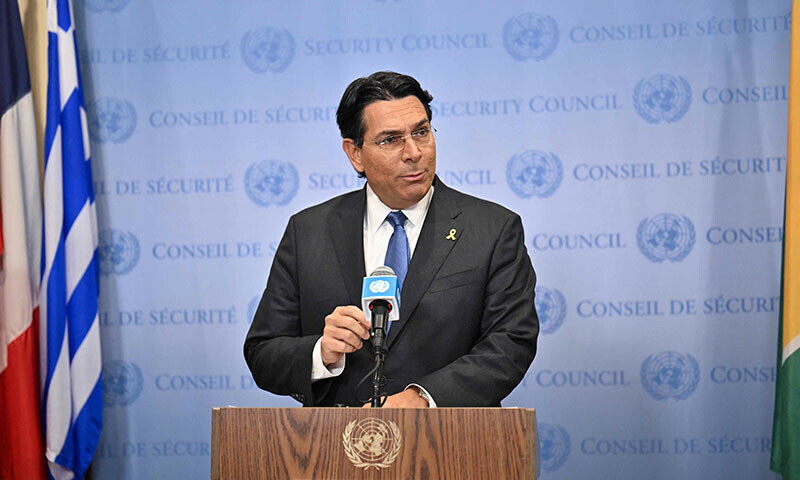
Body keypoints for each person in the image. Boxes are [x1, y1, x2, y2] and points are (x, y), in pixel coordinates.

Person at [244, 71, 538, 407]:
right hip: (337, 448)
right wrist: (321, 353)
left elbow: (511, 342)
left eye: (421, 132)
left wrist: (425, 399)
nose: (413, 152)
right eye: (391, 140)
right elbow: (263, 351)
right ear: (355, 153)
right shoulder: (308, 231)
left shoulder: (492, 228)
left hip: (452, 445)